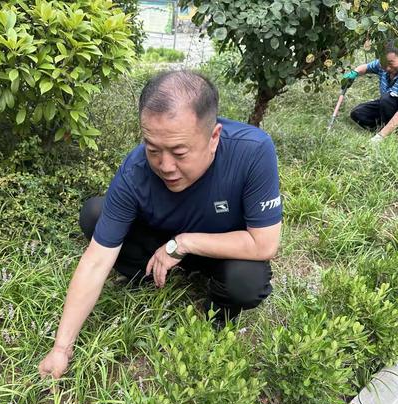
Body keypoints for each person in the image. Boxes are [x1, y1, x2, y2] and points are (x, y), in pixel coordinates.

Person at [38, 71, 282, 379]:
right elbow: (96, 261)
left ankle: (218, 313)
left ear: (214, 137)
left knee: (246, 280)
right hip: (157, 241)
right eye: (153, 149)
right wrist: (61, 349)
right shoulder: (136, 170)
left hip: (218, 249)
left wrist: (183, 244)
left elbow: (265, 243)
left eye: (179, 152)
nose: (166, 166)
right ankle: (150, 275)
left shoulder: (252, 150)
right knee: (95, 213)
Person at [343, 40, 398, 143]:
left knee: (386, 100)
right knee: (358, 113)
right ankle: (385, 130)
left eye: (391, 63)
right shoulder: (384, 64)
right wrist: (354, 73)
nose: (387, 67)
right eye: (385, 63)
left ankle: (388, 135)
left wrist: (380, 138)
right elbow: (365, 67)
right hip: (387, 106)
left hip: (394, 109)